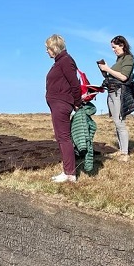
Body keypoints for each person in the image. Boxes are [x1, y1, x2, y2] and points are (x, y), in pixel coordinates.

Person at [45, 34, 82, 183]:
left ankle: (69, 173)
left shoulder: (66, 61)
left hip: (62, 103)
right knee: (61, 137)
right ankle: (67, 171)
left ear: (54, 47)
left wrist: (77, 102)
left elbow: (75, 84)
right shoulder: (60, 61)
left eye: (47, 48)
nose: (46, 51)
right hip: (57, 103)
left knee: (64, 138)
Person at [98, 35, 134, 161]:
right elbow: (114, 75)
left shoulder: (128, 59)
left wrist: (108, 69)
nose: (113, 50)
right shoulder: (118, 61)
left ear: (122, 45)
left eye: (114, 47)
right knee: (117, 122)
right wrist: (105, 70)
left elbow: (124, 77)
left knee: (120, 122)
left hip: (119, 92)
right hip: (112, 92)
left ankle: (125, 153)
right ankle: (121, 150)